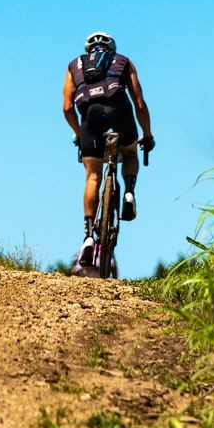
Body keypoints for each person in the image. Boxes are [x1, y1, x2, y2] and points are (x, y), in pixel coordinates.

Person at [62, 31, 154, 266]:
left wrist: (78, 133)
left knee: (92, 176)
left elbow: (66, 108)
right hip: (120, 111)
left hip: (91, 118)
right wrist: (147, 134)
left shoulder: (74, 65)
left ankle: (88, 236)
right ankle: (129, 192)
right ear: (111, 49)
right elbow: (139, 103)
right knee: (131, 152)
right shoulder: (124, 61)